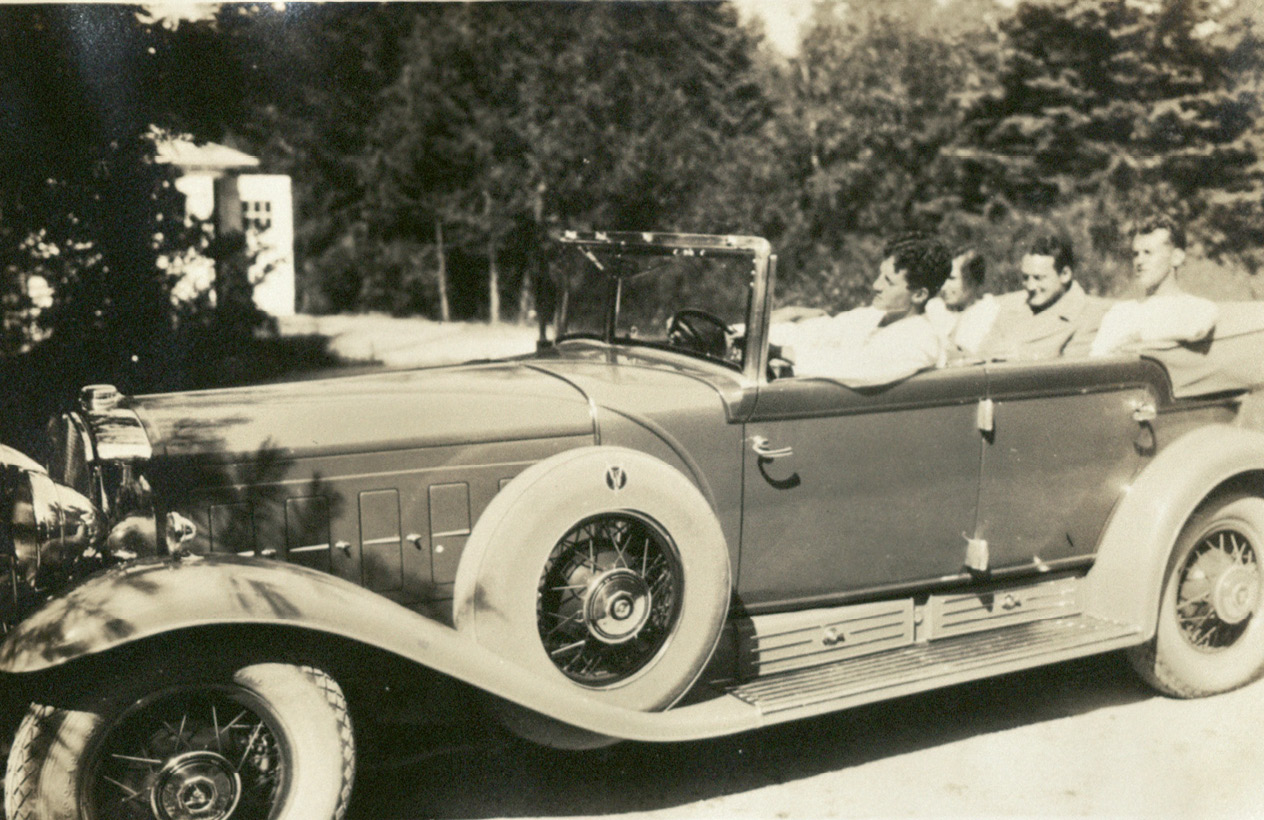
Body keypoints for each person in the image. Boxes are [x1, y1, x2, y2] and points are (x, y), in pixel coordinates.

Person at [771, 233, 952, 388]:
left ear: (919, 295)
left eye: (889, 281)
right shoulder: (871, 316)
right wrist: (763, 333)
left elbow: (857, 367)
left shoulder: (921, 340)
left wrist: (783, 353)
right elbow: (822, 332)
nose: (876, 285)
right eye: (880, 275)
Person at [1089, 217, 1218, 357]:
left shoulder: (1198, 308)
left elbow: (1196, 330)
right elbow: (1096, 359)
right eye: (1135, 254)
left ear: (1176, 257)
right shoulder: (1121, 312)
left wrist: (1136, 339)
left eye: (1148, 252)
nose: (1139, 261)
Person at [974, 234, 1110, 360]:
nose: (1031, 286)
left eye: (1039, 278)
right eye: (1026, 277)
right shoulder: (1013, 305)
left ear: (1065, 274)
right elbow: (982, 353)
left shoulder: (1088, 315)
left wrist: (1021, 357)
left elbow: (1073, 373)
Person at [924, 248, 998, 360]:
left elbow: (965, 353)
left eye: (952, 279)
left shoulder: (986, 309)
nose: (943, 287)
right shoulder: (935, 307)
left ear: (973, 280)